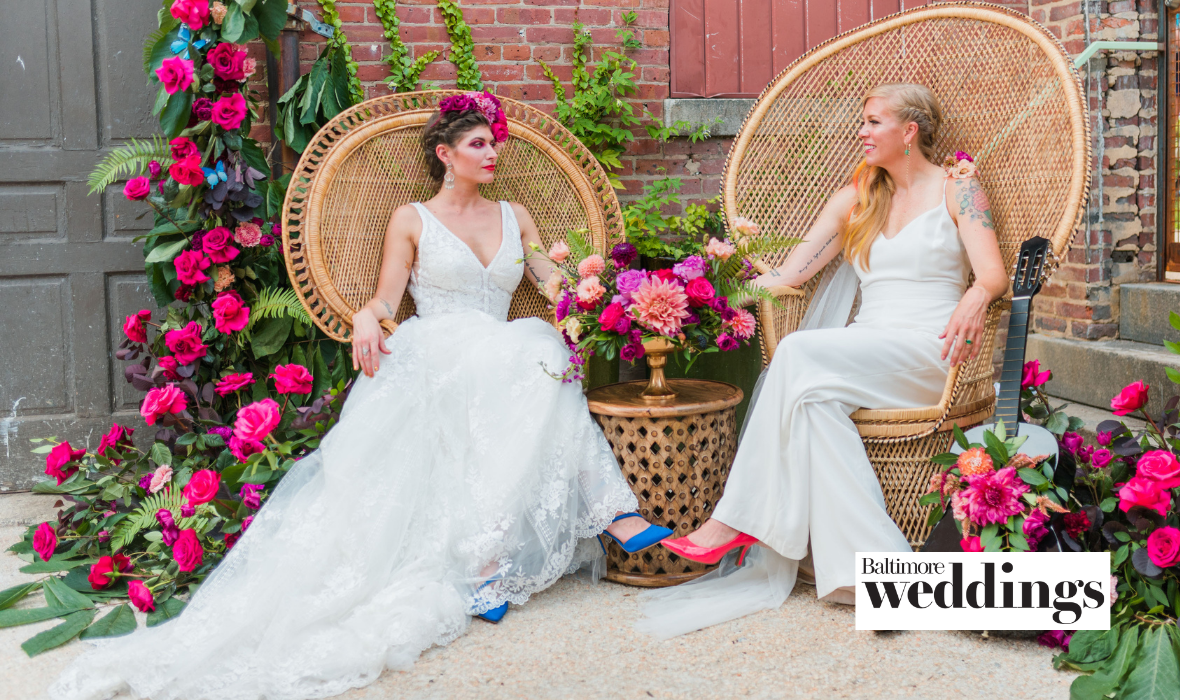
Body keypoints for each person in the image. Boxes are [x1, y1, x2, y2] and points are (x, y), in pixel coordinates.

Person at [50, 91, 669, 700]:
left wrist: (583, 295)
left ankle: (515, 550)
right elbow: (385, 296)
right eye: (478, 144)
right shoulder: (412, 218)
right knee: (529, 356)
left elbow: (547, 275)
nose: (492, 154)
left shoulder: (515, 215)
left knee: (542, 347)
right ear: (444, 153)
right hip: (440, 348)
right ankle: (554, 535)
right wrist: (369, 318)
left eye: (494, 143)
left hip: (501, 347)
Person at [644, 83, 1007, 637]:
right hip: (864, 353)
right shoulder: (856, 200)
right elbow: (789, 276)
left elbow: (993, 274)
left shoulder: (959, 190)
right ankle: (866, 580)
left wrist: (976, 299)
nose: (861, 132)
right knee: (813, 407)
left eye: (872, 122)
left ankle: (734, 519)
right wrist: (698, 298)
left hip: (929, 352)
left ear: (908, 131)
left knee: (795, 354)